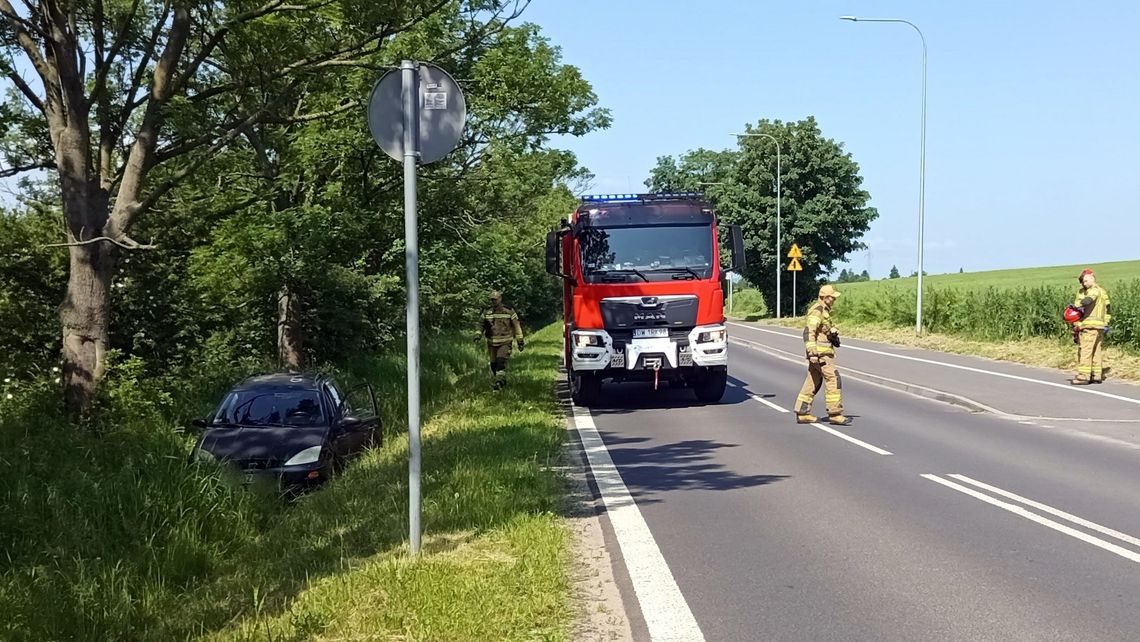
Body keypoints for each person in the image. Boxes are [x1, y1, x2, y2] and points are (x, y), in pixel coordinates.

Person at [795, 284, 849, 425]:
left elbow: (820, 331)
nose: (834, 300)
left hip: (821, 354)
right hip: (821, 354)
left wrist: (831, 332)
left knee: (813, 381)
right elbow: (809, 332)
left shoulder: (823, 311)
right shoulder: (817, 311)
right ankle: (835, 413)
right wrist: (812, 353)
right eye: (832, 297)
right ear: (825, 297)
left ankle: (802, 412)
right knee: (833, 379)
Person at [1070, 268, 1111, 385]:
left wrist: (1075, 306)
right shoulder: (1103, 292)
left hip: (1089, 326)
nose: (1084, 284)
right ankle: (1096, 374)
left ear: (1093, 278)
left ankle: (1083, 376)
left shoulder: (1094, 291)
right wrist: (1106, 323)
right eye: (1083, 282)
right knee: (1096, 351)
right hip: (1099, 327)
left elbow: (1088, 301)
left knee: (1086, 351)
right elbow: (1108, 309)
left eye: (1086, 281)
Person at [478, 290, 525, 389]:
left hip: (505, 342)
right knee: (493, 364)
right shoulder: (487, 312)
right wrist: (478, 335)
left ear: (500, 299)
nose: (493, 302)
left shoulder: (509, 311)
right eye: (492, 300)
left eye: (495, 300)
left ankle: (499, 383)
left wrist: (520, 341)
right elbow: (481, 324)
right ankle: (500, 380)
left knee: (500, 362)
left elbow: (517, 326)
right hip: (491, 344)